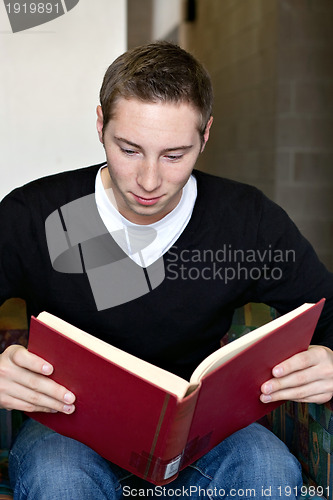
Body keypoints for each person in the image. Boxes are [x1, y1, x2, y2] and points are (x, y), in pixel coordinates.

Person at [0, 41, 333, 500]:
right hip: (68, 429)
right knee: (59, 480)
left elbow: (327, 309)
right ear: (100, 125)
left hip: (202, 437)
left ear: (206, 135)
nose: (150, 181)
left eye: (175, 155)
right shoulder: (33, 214)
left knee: (267, 467)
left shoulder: (246, 219)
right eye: (129, 150)